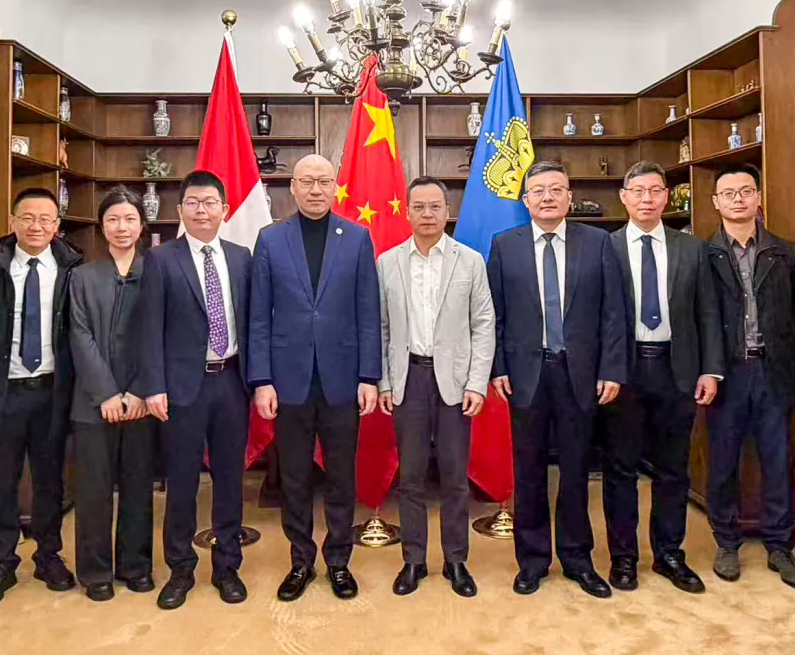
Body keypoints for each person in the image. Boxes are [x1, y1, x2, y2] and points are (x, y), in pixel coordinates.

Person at [487, 160, 626, 599]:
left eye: (556, 189)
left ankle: (578, 558)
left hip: (579, 373)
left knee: (575, 470)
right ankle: (532, 561)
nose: (547, 197)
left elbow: (613, 313)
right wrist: (497, 367)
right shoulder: (504, 245)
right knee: (528, 471)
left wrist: (611, 369)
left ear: (569, 197)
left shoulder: (598, 243)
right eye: (539, 190)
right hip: (524, 374)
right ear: (525, 200)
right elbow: (494, 315)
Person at [249, 153, 381, 602]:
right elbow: (259, 316)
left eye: (324, 181)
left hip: (343, 379)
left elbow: (368, 312)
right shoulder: (270, 239)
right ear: (293, 187)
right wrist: (262, 380)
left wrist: (369, 376)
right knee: (295, 478)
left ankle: (339, 560)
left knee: (342, 476)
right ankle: (301, 561)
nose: (316, 189)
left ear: (334, 186)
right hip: (288, 381)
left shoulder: (357, 238)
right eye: (307, 181)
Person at [0, 187, 83, 608]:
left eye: (45, 219)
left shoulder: (73, 271)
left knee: (50, 480)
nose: (36, 226)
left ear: (57, 226)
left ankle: (48, 556)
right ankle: (2, 563)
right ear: (12, 221)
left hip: (52, 392)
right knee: (1, 481)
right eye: (27, 217)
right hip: (2, 394)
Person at [600, 161, 725, 594]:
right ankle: (623, 557)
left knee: (674, 469)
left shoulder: (692, 248)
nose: (647, 199)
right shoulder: (605, 248)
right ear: (624, 197)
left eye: (655, 191)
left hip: (678, 368)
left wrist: (710, 369)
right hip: (624, 370)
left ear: (667, 196)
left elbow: (708, 312)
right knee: (621, 468)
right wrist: (604, 370)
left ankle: (669, 554)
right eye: (638, 191)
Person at [136, 170, 252, 608]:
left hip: (232, 382)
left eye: (210, 203)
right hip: (183, 387)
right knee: (182, 481)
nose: (202, 211)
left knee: (230, 480)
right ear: (180, 210)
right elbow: (149, 328)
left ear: (225, 210)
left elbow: (253, 321)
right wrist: (154, 386)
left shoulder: (241, 257)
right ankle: (180, 569)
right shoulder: (161, 259)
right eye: (193, 203)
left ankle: (227, 567)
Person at [376, 177, 495, 598]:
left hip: (456, 383)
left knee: (454, 476)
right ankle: (413, 560)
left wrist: (477, 382)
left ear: (448, 211)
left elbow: (484, 325)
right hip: (407, 379)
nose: (427, 215)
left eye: (435, 207)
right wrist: (385, 381)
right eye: (419, 207)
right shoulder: (388, 262)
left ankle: (456, 560)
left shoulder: (470, 261)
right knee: (410, 477)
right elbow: (382, 327)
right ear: (407, 211)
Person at [706, 162, 795, 590]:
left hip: (773, 369)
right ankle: (726, 542)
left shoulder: (785, 252)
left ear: (759, 197)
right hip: (726, 372)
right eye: (729, 193)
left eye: (746, 191)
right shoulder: (704, 255)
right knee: (722, 460)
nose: (738, 199)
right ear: (716, 202)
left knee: (776, 458)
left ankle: (780, 546)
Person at [69, 186, 154, 602]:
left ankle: (136, 566)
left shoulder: (156, 271)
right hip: (92, 402)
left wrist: (138, 390)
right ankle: (95, 571)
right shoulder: (82, 276)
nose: (122, 227)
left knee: (139, 487)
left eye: (130, 219)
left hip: (142, 402)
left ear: (142, 225)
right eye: (113, 220)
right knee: (93, 491)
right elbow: (79, 335)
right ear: (102, 227)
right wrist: (105, 392)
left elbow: (160, 335)